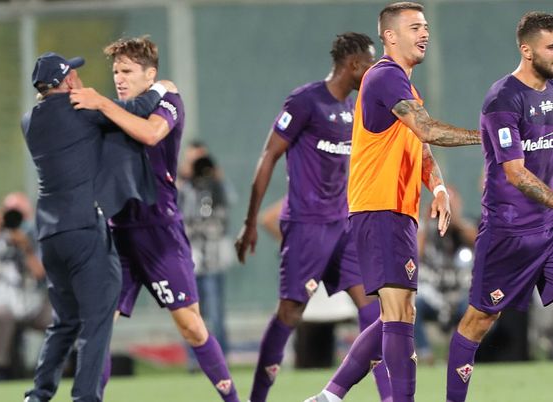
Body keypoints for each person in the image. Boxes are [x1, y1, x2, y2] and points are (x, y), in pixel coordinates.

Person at [305, 3, 480, 402]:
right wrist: (490, 135)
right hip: (378, 208)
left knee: (396, 314)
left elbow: (417, 145)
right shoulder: (384, 76)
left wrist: (436, 188)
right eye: (414, 27)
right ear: (389, 36)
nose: (424, 34)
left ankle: (329, 397)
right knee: (398, 312)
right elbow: (428, 129)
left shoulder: (404, 85)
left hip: (395, 211)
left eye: (426, 27)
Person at [70, 36, 240, 402]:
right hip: (118, 234)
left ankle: (233, 399)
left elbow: (150, 134)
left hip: (159, 232)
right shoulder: (112, 108)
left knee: (192, 328)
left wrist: (99, 102)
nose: (119, 77)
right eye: (116, 70)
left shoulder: (167, 102)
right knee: (98, 327)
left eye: (127, 70)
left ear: (150, 75)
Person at [233, 32, 391, 402]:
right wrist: (251, 222)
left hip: (343, 226)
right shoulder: (306, 101)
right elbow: (268, 155)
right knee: (290, 312)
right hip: (307, 226)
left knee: (377, 311)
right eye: (369, 64)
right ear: (353, 65)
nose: (373, 71)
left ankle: (389, 399)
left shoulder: (355, 109)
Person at [21, 51, 171, 402]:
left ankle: (38, 395)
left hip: (49, 233)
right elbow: (134, 110)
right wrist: (161, 89)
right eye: (74, 73)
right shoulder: (82, 111)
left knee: (65, 320)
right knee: (98, 318)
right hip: (84, 229)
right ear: (69, 81)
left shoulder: (29, 120)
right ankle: (86, 398)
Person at [445, 11, 553, 402]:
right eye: (551, 47)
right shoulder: (503, 99)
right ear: (527, 50)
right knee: (480, 320)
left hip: (550, 227)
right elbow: (517, 174)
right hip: (511, 231)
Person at [0, 191, 52, 381]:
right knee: (3, 316)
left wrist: (26, 247)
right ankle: (1, 370)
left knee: (61, 318)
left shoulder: (36, 234)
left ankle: (54, 365)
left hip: (29, 302)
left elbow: (40, 273)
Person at [178, 143, 237, 368]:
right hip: (189, 259)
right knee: (190, 313)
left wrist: (217, 176)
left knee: (215, 312)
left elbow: (230, 201)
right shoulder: (183, 187)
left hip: (212, 259)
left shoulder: (217, 186)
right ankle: (195, 361)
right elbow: (173, 208)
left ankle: (221, 359)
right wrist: (183, 178)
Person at [414, 187, 476, 364]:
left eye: (451, 201)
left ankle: (457, 354)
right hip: (433, 292)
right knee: (413, 305)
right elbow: (415, 254)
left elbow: (476, 240)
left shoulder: (465, 225)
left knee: (474, 307)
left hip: (460, 292)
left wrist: (454, 220)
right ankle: (426, 354)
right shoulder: (426, 228)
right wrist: (426, 221)